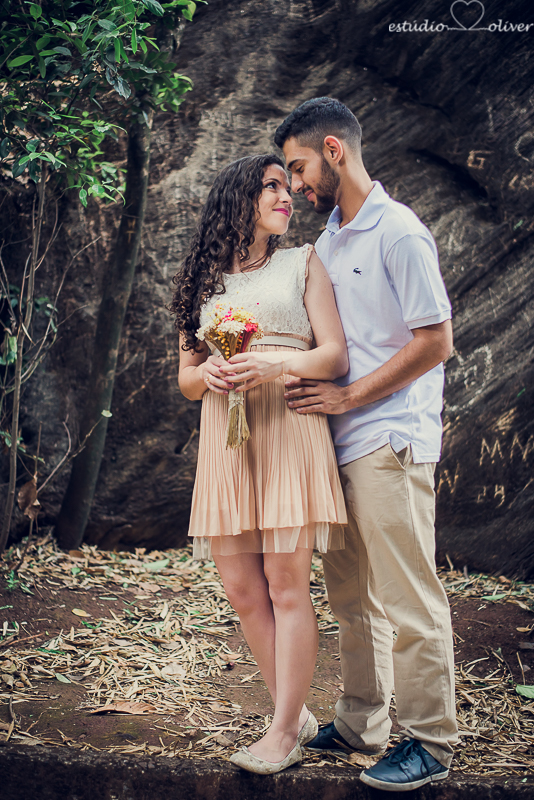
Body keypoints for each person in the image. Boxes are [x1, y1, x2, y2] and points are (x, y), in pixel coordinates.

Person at [274, 98, 458, 792]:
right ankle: (362, 721)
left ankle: (432, 742)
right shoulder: (327, 242)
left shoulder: (399, 232)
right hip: (338, 444)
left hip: (390, 438)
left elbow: (435, 339)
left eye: (298, 167)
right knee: (350, 595)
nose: (294, 184)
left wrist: (350, 398)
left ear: (334, 148)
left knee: (408, 596)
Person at [170, 154, 348, 775]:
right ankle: (292, 716)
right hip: (226, 438)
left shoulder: (304, 262)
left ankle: (281, 734)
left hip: (287, 430)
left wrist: (276, 364)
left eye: (286, 185)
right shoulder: (203, 279)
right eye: (271, 186)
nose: (285, 195)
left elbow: (333, 356)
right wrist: (208, 374)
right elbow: (187, 381)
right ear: (238, 198)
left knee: (285, 583)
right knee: (244, 590)